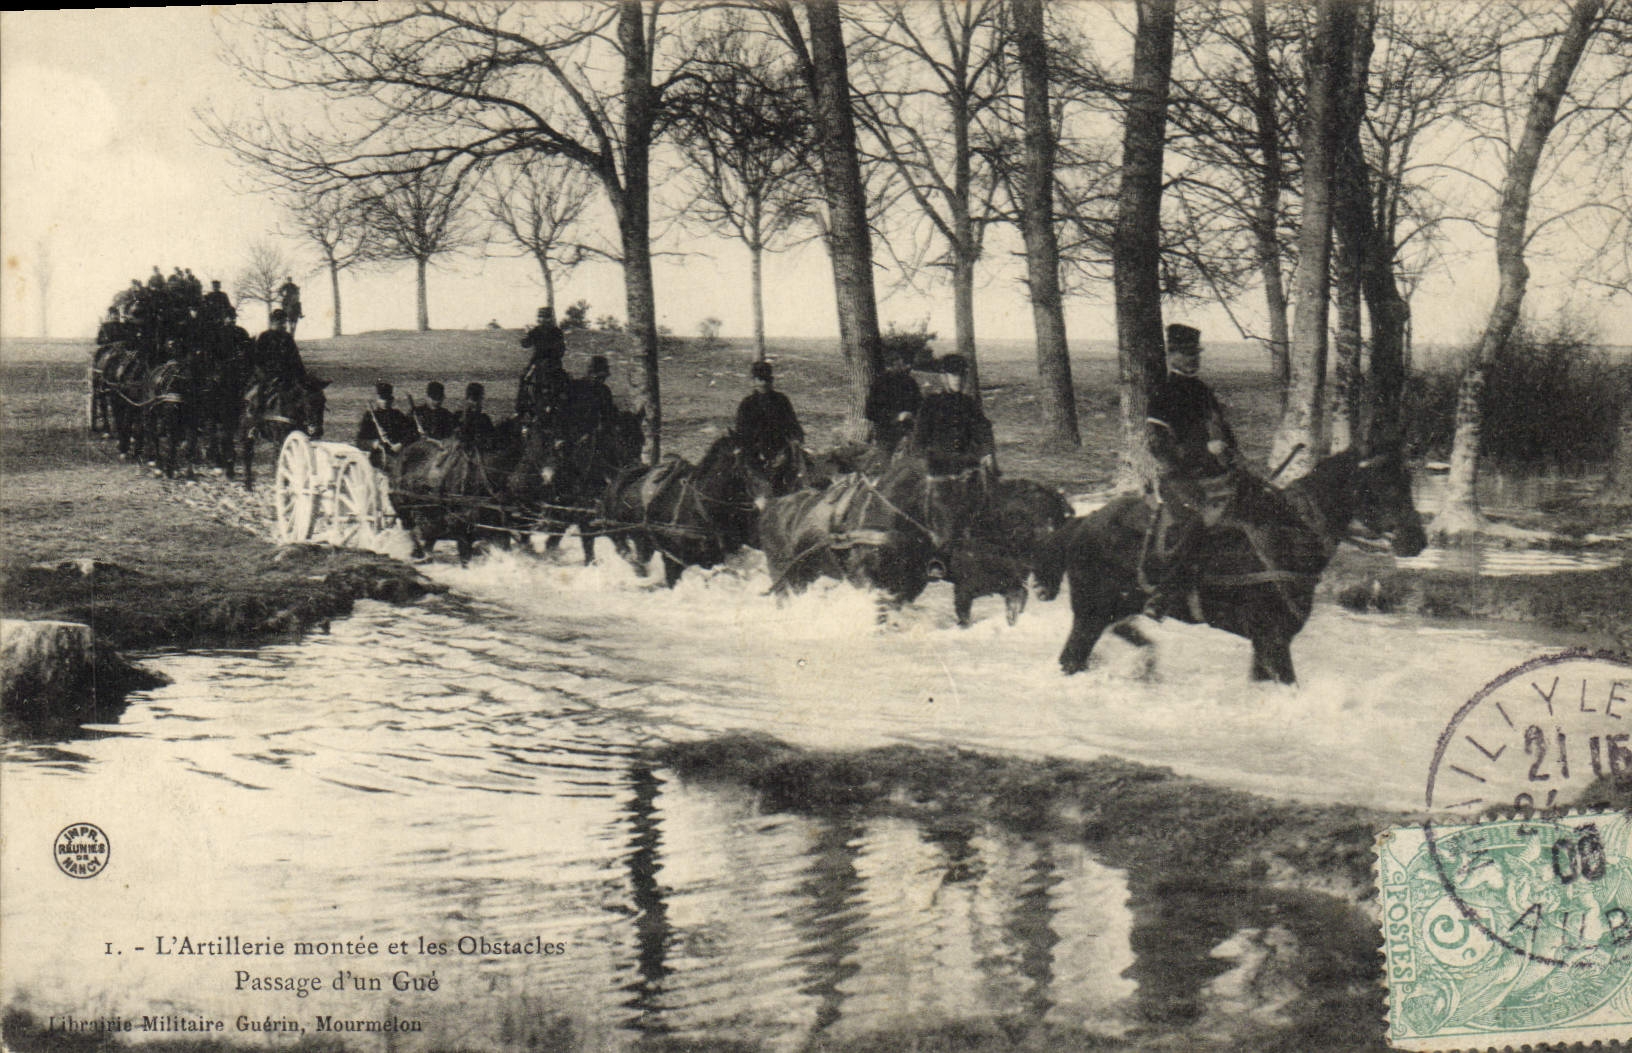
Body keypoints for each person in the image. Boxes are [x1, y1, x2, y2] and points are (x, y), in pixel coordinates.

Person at [1141, 323, 1241, 620]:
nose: (1192, 359)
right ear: (1170, 356)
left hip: (1216, 475)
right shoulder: (1164, 394)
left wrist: (1230, 453)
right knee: (1195, 521)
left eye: (1194, 353)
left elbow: (1222, 433)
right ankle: (1164, 595)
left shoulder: (1203, 391)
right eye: (1184, 354)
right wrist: (1202, 453)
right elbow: (1158, 446)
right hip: (1179, 478)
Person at [911, 354, 995, 477]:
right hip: (938, 467)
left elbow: (983, 429)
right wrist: (925, 464)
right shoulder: (931, 403)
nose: (958, 380)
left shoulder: (968, 403)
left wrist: (987, 452)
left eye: (961, 375)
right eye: (954, 375)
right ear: (944, 377)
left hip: (966, 465)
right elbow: (919, 439)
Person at [733, 360, 804, 492]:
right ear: (753, 381)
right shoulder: (747, 404)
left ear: (771, 381)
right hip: (754, 455)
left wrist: (796, 439)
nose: (763, 383)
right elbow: (740, 431)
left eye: (766, 380)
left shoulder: (781, 400)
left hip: (780, 452)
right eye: (759, 379)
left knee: (789, 482)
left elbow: (793, 424)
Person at [516, 307, 571, 425]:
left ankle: (565, 405)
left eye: (545, 317)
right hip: (537, 361)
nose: (543, 320)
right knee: (524, 378)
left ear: (550, 318)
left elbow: (561, 349)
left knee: (565, 379)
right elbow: (527, 343)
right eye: (540, 317)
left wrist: (554, 353)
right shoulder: (536, 331)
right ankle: (520, 409)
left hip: (553, 361)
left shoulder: (556, 332)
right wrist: (525, 338)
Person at [864, 348, 922, 453]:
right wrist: (897, 416)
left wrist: (912, 415)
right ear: (894, 363)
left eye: (908, 363)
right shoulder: (880, 383)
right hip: (886, 433)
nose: (908, 367)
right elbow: (870, 412)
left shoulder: (911, 382)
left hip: (908, 431)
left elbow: (919, 405)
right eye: (903, 363)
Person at [355, 382, 416, 468]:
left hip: (397, 456)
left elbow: (411, 434)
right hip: (378, 458)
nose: (385, 402)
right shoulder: (369, 416)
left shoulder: (397, 415)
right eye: (382, 399)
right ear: (377, 399)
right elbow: (360, 441)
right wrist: (374, 444)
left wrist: (400, 444)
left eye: (387, 399)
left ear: (392, 400)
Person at [251, 308, 308, 386]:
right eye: (281, 323)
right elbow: (257, 359)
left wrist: (302, 375)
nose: (284, 326)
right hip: (269, 377)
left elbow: (296, 358)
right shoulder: (265, 336)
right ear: (273, 323)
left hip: (287, 377)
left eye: (285, 322)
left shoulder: (287, 337)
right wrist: (262, 375)